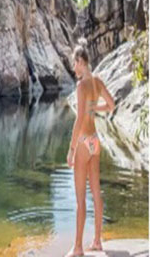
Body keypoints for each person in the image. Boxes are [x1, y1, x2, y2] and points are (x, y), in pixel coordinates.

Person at [65, 38, 116, 257]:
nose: (72, 67)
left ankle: (77, 248)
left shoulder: (81, 86)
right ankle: (97, 241)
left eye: (73, 63)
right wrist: (96, 108)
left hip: (84, 141)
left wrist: (71, 148)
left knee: (80, 199)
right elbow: (112, 105)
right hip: (96, 141)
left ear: (80, 61)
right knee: (96, 193)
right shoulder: (97, 82)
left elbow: (78, 121)